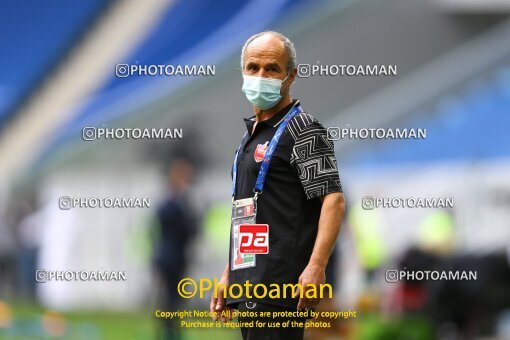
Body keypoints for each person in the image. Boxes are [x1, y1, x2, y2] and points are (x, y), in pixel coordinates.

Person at [210, 31, 346, 340]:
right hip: (248, 285)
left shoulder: (303, 128)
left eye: (272, 69)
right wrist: (229, 273)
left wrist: (316, 267)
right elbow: (249, 214)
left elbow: (333, 200)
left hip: (279, 287)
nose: (261, 75)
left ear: (291, 75)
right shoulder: (252, 135)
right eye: (253, 67)